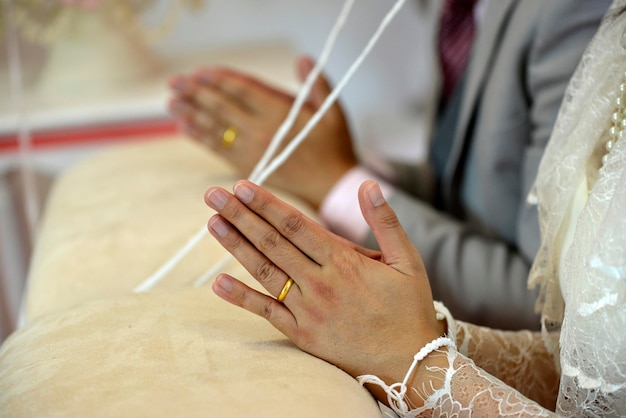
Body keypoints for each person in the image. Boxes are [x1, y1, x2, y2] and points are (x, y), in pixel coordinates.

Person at [202, 1, 626, 414]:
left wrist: (413, 359)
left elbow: (552, 302)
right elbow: (474, 191)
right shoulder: (459, 10)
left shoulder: (575, 9)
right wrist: (333, 166)